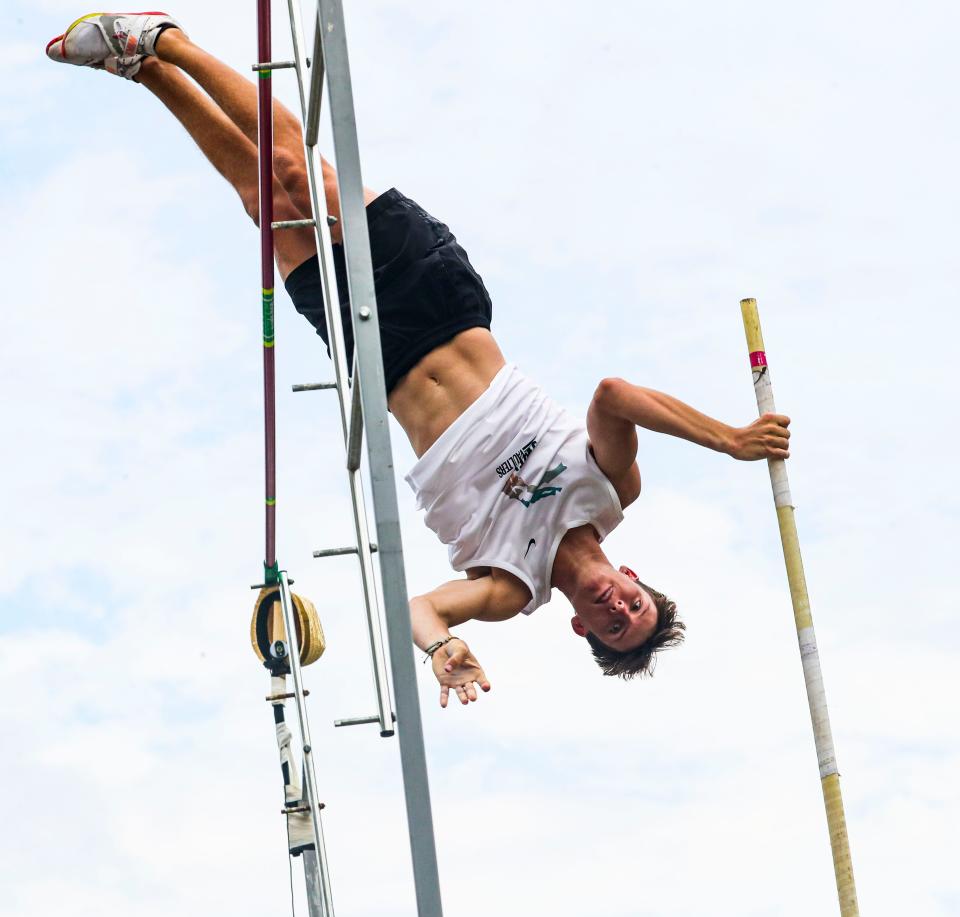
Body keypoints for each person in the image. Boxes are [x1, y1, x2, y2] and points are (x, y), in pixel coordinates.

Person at [46, 13, 792, 707]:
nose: (618, 608)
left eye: (614, 626)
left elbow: (423, 606)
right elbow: (614, 393)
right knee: (295, 176)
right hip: (440, 300)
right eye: (635, 604)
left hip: (380, 356)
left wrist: (442, 647)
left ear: (583, 629)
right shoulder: (612, 489)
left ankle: (141, 71)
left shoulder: (511, 588)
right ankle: (166, 40)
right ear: (633, 578)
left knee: (259, 200)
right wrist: (728, 439)